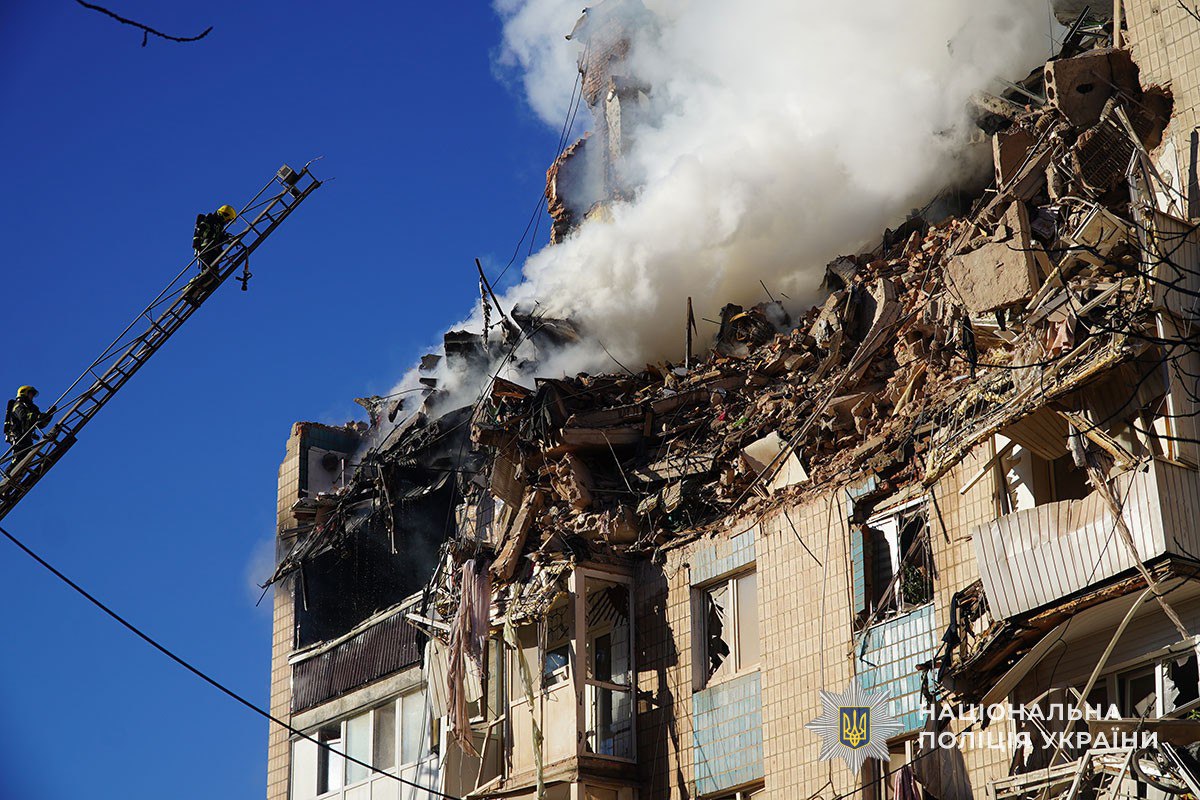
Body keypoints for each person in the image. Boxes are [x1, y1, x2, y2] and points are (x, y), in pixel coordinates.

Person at [4, 386, 55, 467]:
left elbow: (40, 424)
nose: (32, 397)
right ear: (24, 393)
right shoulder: (17, 405)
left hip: (26, 435)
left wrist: (49, 415)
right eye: (31, 394)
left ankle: (19, 474)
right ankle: (10, 472)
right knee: (19, 456)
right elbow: (24, 416)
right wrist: (38, 417)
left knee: (27, 455)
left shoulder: (32, 408)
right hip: (17, 435)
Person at [193, 204, 237, 270]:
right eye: (228, 220)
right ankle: (205, 274)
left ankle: (212, 276)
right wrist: (196, 244)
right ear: (224, 215)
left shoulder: (219, 227)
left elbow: (220, 237)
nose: (227, 223)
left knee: (214, 267)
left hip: (214, 249)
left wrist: (229, 239)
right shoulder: (209, 220)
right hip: (206, 248)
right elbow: (201, 232)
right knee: (208, 263)